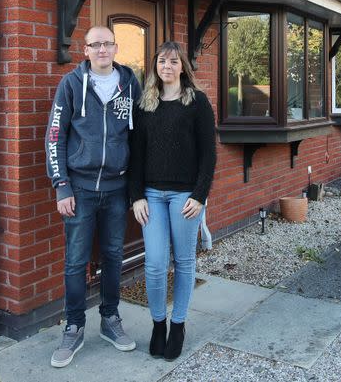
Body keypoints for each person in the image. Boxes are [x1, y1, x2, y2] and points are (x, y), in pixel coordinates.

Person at [45, 25, 142, 368]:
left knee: (114, 256)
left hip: (117, 190)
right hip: (81, 191)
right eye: (95, 44)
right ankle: (74, 326)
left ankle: (110, 320)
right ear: (85, 50)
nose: (102, 49)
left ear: (116, 48)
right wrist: (61, 184)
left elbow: (138, 137)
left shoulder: (130, 84)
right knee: (75, 261)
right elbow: (55, 135)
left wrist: (136, 189)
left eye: (107, 44)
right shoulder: (71, 85)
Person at [128, 41, 216, 361]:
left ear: (182, 67)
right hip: (151, 195)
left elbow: (209, 155)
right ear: (155, 66)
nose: (167, 66)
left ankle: (178, 325)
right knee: (154, 264)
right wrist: (136, 196)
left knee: (184, 262)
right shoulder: (145, 105)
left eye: (173, 61)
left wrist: (200, 195)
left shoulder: (197, 103)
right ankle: (157, 324)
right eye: (162, 61)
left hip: (185, 198)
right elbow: (135, 156)